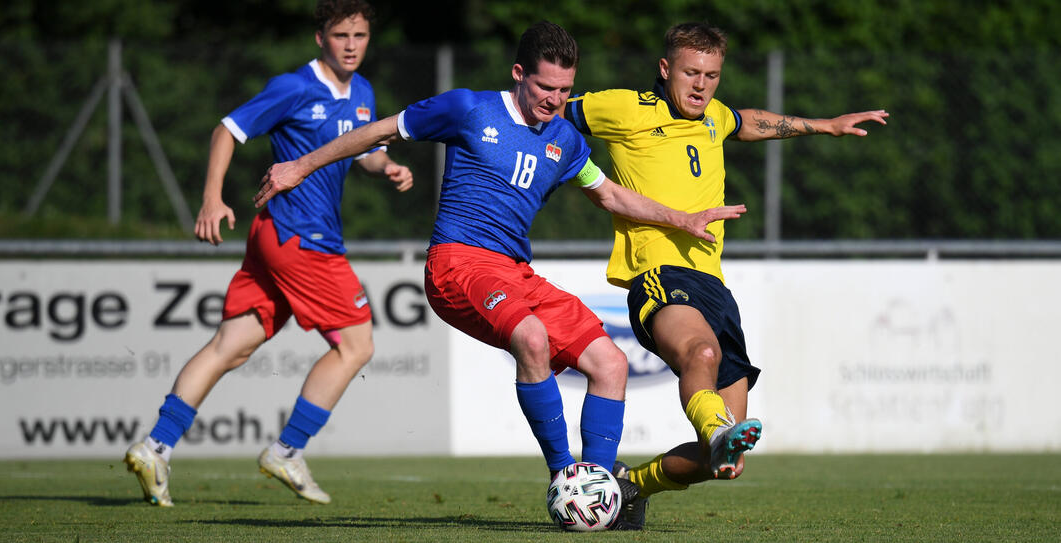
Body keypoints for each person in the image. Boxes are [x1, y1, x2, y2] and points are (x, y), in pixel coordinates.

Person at [254, 20, 746, 528]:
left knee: (610, 364)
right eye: (544, 87)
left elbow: (611, 195)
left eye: (565, 90)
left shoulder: (564, 139)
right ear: (518, 74)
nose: (555, 100)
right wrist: (300, 166)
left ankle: (596, 495)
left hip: (514, 271)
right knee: (531, 338)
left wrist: (682, 218)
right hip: (458, 262)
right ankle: (564, 478)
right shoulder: (468, 108)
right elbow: (380, 131)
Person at [563, 21, 889, 527]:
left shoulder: (713, 116)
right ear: (665, 68)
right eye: (691, 72)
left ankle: (629, 488)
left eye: (712, 75)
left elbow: (750, 121)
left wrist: (824, 125)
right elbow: (548, 109)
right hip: (659, 273)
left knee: (725, 461)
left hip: (714, 288)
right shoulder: (626, 107)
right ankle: (713, 428)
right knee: (703, 353)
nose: (701, 85)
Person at [124, 0, 413, 507]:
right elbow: (227, 130)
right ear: (319, 38)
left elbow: (363, 149)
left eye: (360, 35)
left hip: (275, 238)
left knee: (229, 346)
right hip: (302, 239)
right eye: (341, 35)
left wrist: (384, 165)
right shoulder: (295, 87)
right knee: (357, 347)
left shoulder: (363, 91)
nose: (351, 45)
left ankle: (154, 447)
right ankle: (287, 449)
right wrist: (212, 197)